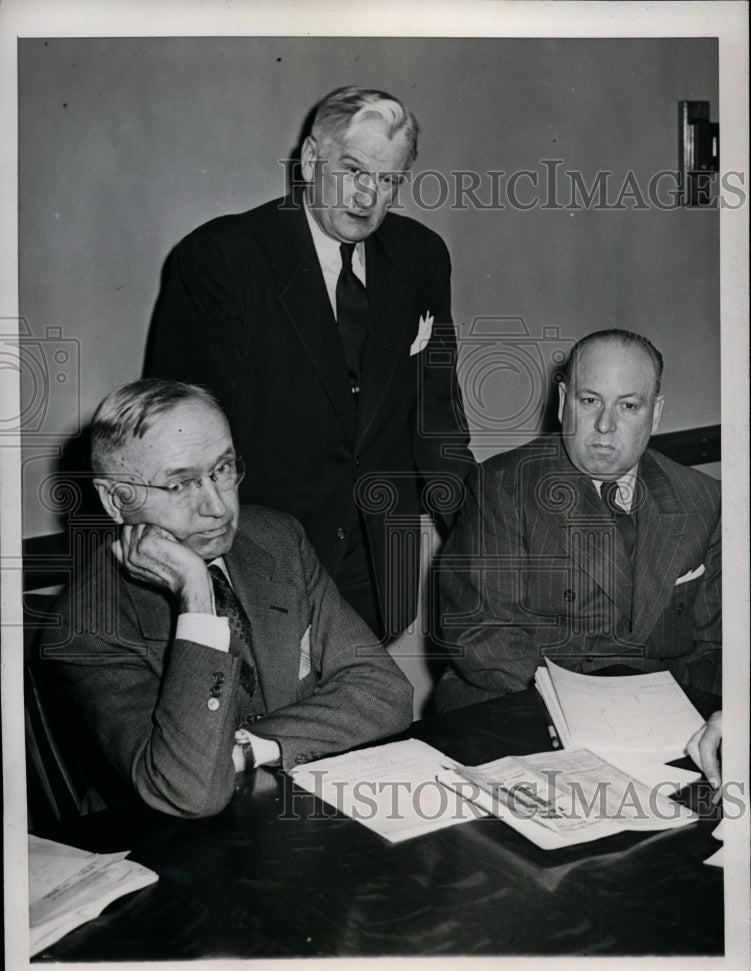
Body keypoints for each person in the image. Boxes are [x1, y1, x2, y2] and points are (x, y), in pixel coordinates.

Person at [144, 85, 474, 639]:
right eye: (353, 170)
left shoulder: (421, 256)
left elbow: (436, 420)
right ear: (310, 159)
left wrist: (482, 535)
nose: (369, 196)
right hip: (257, 562)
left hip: (376, 568)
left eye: (389, 180)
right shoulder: (223, 257)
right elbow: (182, 439)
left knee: (365, 719)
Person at [39, 379, 413, 818]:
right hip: (162, 846)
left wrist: (244, 749)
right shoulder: (88, 625)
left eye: (222, 470)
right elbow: (190, 792)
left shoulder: (276, 539)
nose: (217, 507)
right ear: (116, 499)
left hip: (291, 809)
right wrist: (197, 596)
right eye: (180, 485)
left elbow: (386, 691)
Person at [436, 329, 721, 710]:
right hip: (527, 701)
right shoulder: (501, 486)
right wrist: (592, 708)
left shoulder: (704, 498)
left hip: (663, 710)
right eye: (590, 400)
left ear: (655, 414)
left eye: (628, 406)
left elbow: (716, 646)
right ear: (562, 402)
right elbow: (484, 637)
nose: (605, 425)